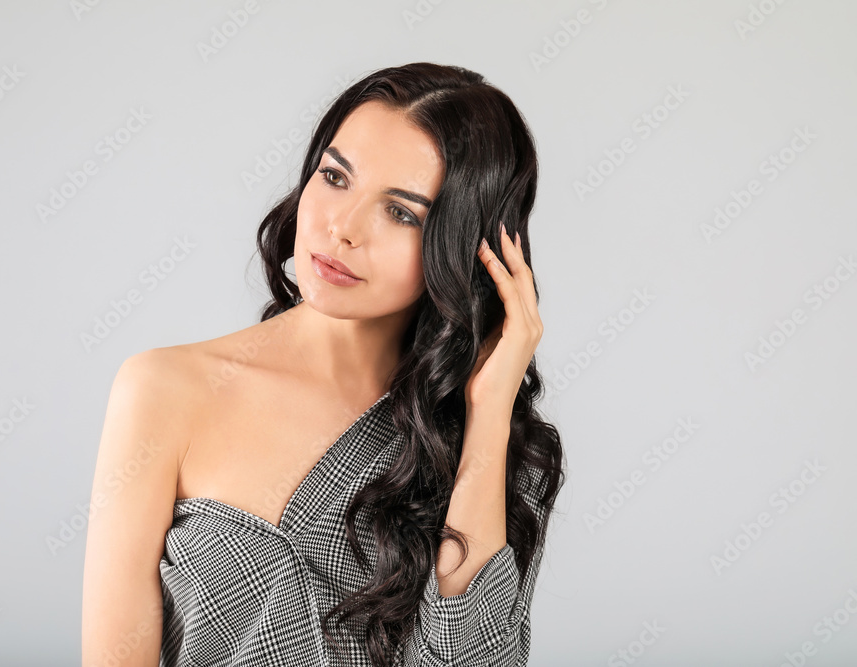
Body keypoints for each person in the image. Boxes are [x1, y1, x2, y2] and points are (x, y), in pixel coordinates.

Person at [82, 61, 565, 667]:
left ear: (467, 248)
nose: (341, 228)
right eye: (335, 177)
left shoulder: (495, 443)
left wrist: (488, 412)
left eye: (401, 212)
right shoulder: (165, 389)